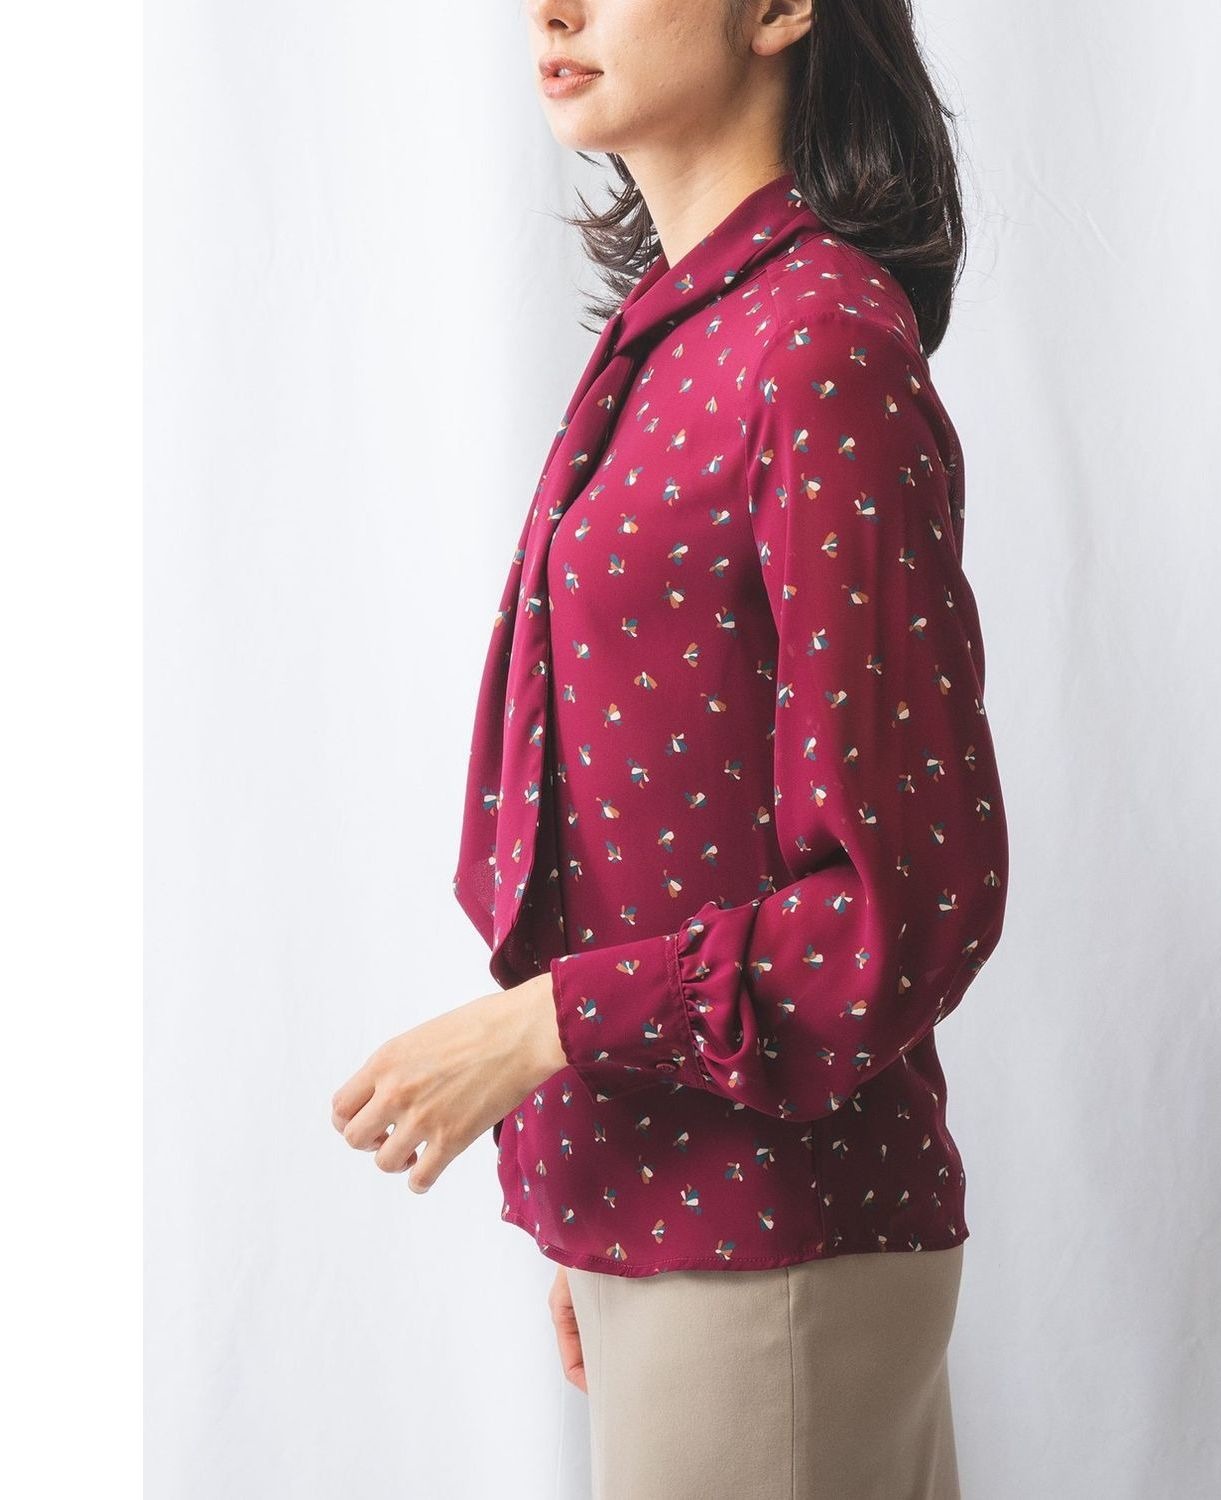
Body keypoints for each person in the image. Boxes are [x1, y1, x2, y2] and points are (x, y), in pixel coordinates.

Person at [333, 1, 1009, 1494]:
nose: (552, 9)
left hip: (774, 1246)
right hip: (680, 1231)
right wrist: (602, 1203)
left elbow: (905, 902)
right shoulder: (684, 332)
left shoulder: (820, 348)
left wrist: (543, 1029)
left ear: (779, 9)